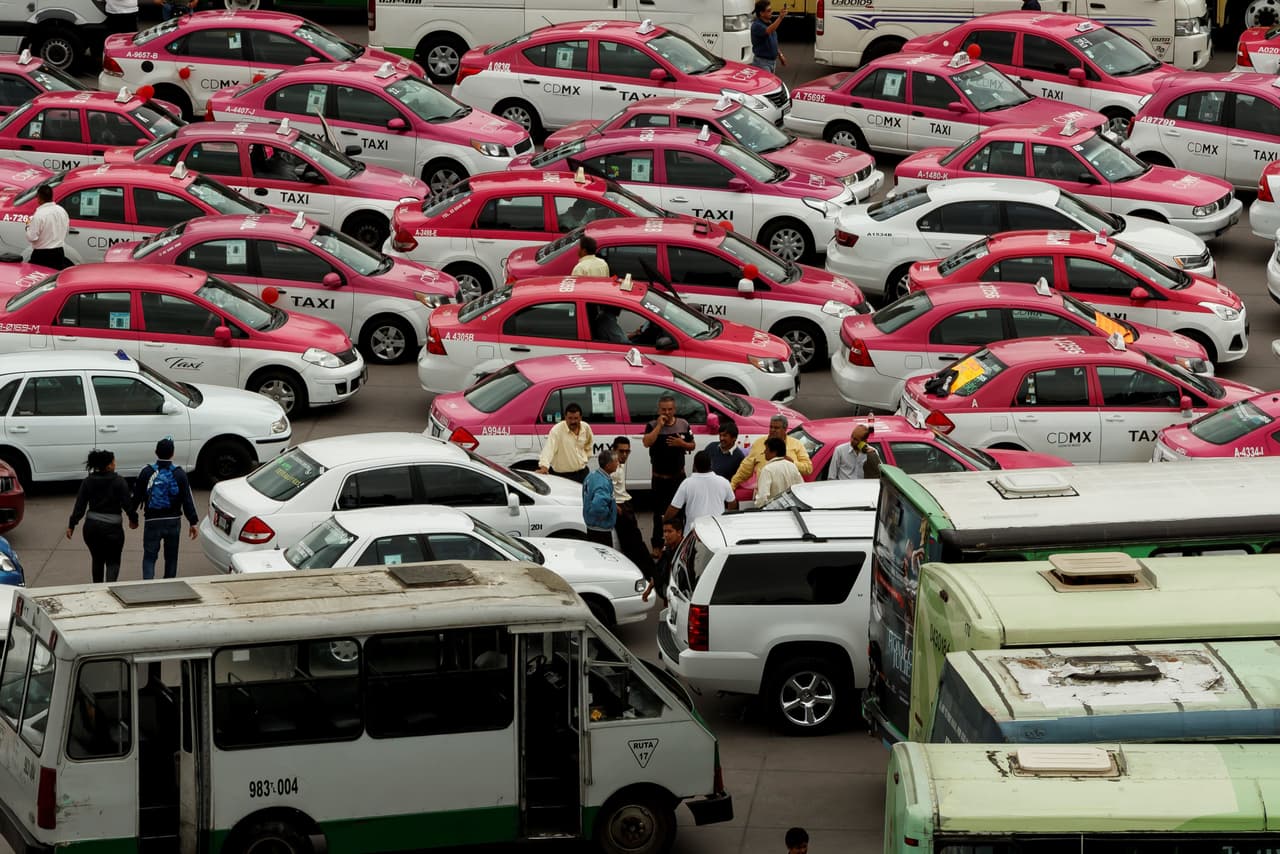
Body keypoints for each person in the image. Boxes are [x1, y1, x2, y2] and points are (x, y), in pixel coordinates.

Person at [67, 449, 139, 583]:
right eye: (113, 461)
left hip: (91, 528)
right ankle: (109, 588)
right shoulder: (119, 481)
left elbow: (80, 506)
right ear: (109, 465)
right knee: (113, 561)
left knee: (97, 560)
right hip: (113, 530)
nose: (115, 463)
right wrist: (133, 520)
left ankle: (97, 588)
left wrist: (72, 525)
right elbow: (127, 504)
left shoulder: (88, 481)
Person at [132, 437, 198, 580]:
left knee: (149, 557)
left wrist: (133, 517)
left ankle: (148, 586)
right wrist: (193, 522)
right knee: (171, 557)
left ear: (156, 452)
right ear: (173, 453)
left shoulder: (147, 472)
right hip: (173, 521)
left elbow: (136, 497)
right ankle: (169, 585)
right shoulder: (179, 473)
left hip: (152, 521)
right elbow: (187, 499)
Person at [643, 394, 694, 556]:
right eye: (664, 409)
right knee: (658, 514)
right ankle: (657, 545)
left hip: (678, 478)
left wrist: (682, 444)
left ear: (675, 409)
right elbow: (647, 442)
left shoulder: (683, 424)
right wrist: (659, 426)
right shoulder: (652, 425)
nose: (667, 412)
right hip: (659, 478)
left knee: (679, 513)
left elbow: (692, 445)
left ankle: (678, 544)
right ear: (659, 410)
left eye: (670, 409)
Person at [729, 414, 813, 492]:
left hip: (788, 494)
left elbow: (808, 469)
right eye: (771, 427)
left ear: (785, 429)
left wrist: (793, 463)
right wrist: (732, 485)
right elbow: (745, 468)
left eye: (776, 428)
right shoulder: (759, 443)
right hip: (764, 493)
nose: (772, 430)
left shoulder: (796, 444)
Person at [665, 451, 737, 536]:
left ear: (694, 465)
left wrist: (664, 521)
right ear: (711, 464)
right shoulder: (723, 482)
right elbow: (732, 503)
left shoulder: (687, 483)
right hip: (718, 533)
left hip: (693, 534)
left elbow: (674, 508)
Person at [610, 437, 653, 575]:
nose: (624, 455)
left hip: (626, 505)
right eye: (621, 451)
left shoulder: (619, 465)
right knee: (633, 546)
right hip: (621, 508)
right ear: (614, 450)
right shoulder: (612, 468)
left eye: (627, 452)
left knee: (635, 543)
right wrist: (615, 505)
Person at [537, 402, 593, 483]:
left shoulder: (586, 427)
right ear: (565, 417)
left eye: (576, 418)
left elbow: (589, 444)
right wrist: (544, 467)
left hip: (582, 473)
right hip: (563, 476)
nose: (573, 421)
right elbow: (548, 450)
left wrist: (584, 459)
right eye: (570, 418)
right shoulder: (557, 431)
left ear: (580, 418)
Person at [25, 184, 70, 270]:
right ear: (51, 196)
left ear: (38, 197)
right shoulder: (62, 211)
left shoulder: (39, 215)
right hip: (59, 254)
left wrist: (28, 226)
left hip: (41, 256)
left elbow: (32, 237)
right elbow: (66, 230)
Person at [641, 519, 683, 606]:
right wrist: (648, 589)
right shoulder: (667, 548)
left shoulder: (683, 552)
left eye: (670, 531)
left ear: (679, 532)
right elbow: (660, 571)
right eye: (664, 531)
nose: (666, 535)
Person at [582, 450, 619, 547]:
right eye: (616, 461)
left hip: (591, 526)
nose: (617, 463)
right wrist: (609, 512)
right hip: (601, 529)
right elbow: (598, 507)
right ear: (608, 465)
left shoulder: (592, 475)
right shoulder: (602, 483)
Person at [755, 437, 802, 508]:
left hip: (775, 512)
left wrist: (759, 509)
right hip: (793, 510)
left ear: (774, 452)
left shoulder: (767, 469)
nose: (764, 452)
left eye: (766, 449)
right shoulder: (792, 466)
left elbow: (762, 497)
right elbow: (800, 488)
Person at [751, 0, 787, 72]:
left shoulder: (769, 23)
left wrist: (780, 55)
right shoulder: (757, 25)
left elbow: (773, 42)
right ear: (761, 13)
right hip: (762, 63)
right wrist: (780, 17)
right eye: (769, 10)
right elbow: (768, 31)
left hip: (772, 62)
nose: (771, 12)